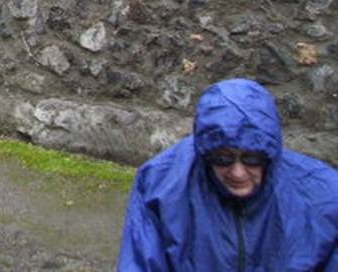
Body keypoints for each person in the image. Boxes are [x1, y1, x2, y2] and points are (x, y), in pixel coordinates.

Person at [118, 77, 338, 271]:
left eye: (252, 159)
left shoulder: (325, 196)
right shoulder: (160, 184)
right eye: (222, 159)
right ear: (204, 152)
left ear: (271, 155)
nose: (238, 173)